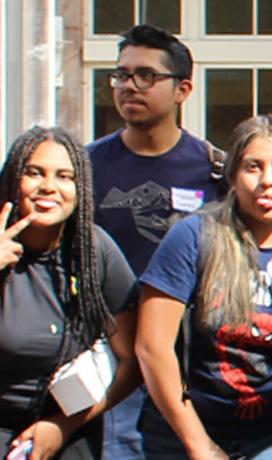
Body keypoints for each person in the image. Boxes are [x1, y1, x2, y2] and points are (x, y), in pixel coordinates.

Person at [133, 114, 272, 459]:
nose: (267, 181)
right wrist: (199, 445)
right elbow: (150, 347)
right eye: (253, 167)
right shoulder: (193, 237)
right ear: (232, 176)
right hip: (184, 425)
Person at [86, 25, 224, 460]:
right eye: (122, 74)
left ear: (182, 89)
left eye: (146, 75)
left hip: (188, 364)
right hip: (110, 360)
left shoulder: (214, 170)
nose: (129, 85)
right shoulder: (86, 167)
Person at [0, 128, 141, 460]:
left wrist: (63, 425)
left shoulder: (95, 252)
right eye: (34, 172)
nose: (49, 186)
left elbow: (132, 361)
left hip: (69, 426)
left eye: (64, 176)